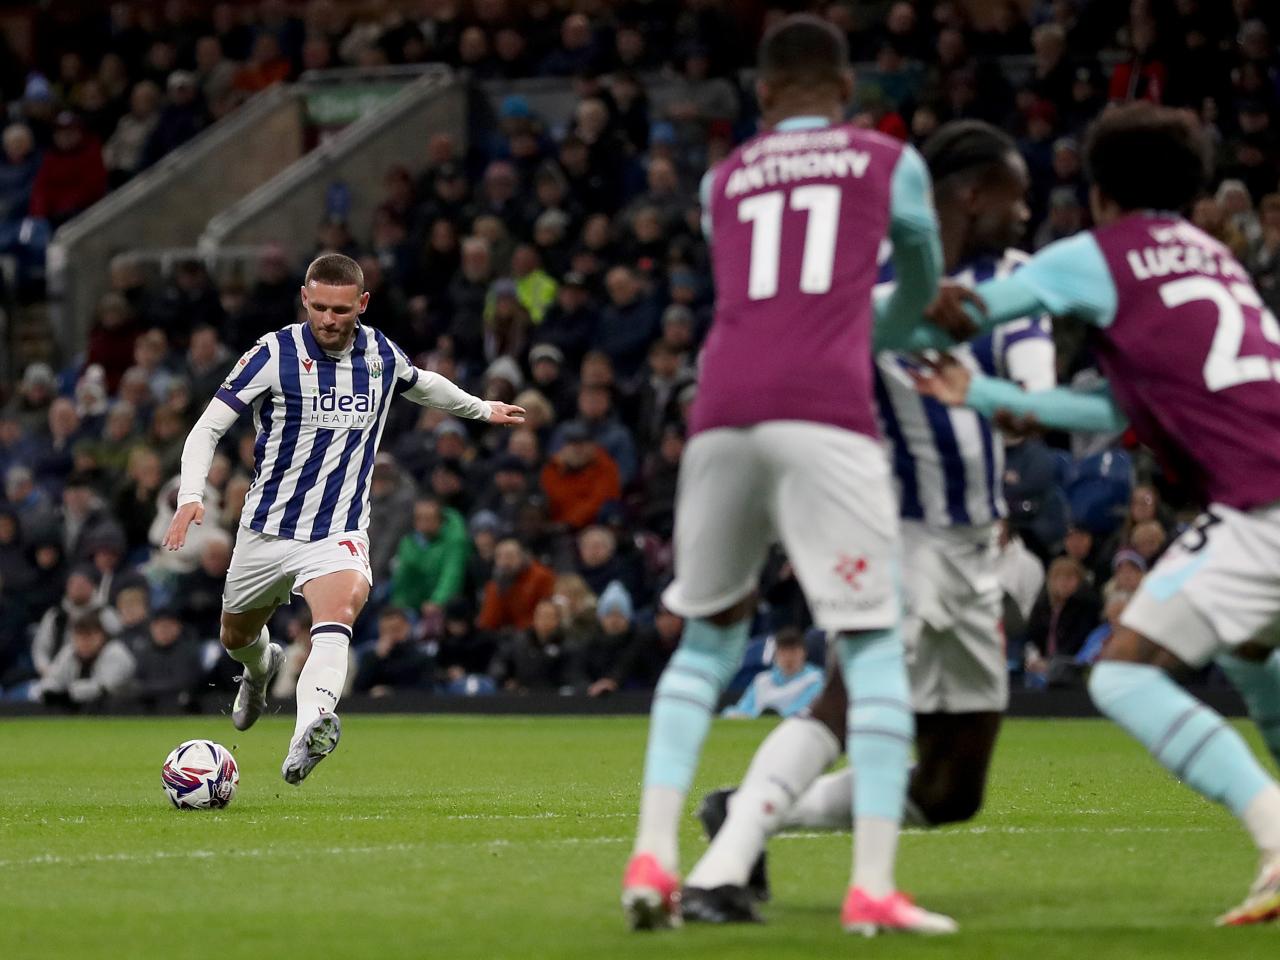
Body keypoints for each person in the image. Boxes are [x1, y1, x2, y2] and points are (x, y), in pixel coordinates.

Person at [623, 15, 952, 935]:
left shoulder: (720, 178)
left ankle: (651, 858)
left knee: (706, 644)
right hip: (826, 411)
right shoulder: (889, 161)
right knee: (875, 646)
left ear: (762, 96)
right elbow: (922, 285)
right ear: (848, 91)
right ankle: (872, 886)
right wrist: (902, 320)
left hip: (721, 408)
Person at [684, 119, 1054, 920]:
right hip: (893, 528)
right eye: (1015, 197)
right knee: (847, 702)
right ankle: (721, 870)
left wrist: (1014, 395)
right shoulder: (859, 285)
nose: (1026, 213)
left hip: (977, 545)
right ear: (971, 195)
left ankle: (744, 806)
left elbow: (1029, 394)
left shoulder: (1016, 281)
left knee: (953, 786)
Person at [920, 103, 1280, 926]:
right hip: (1267, 485)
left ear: (1099, 193)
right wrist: (994, 394)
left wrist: (863, 319)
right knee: (1258, 656)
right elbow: (1117, 403)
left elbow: (970, 311)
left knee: (1121, 671)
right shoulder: (1214, 258)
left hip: (1262, 501)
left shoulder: (1098, 254)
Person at [163, 253, 524, 785]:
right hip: (265, 529)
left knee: (337, 619)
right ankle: (261, 671)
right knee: (237, 636)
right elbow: (207, 428)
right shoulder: (273, 352)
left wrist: (479, 408)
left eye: (340, 309)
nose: (329, 320)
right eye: (319, 308)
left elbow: (422, 382)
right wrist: (191, 494)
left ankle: (309, 729)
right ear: (305, 299)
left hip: (338, 531)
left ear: (362, 303)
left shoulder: (380, 353)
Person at [721, 628, 823, 719]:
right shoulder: (762, 679)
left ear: (804, 652)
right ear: (776, 654)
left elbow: (801, 710)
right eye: (783, 652)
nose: (788, 658)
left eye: (793, 651)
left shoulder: (815, 679)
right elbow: (743, 708)